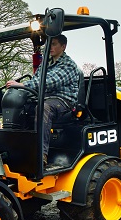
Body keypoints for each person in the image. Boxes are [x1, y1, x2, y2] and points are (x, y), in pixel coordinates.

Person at [6, 34, 81, 167]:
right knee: (21, 106)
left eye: (54, 44)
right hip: (44, 98)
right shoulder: (45, 63)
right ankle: (16, 150)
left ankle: (41, 155)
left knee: (43, 108)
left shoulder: (68, 64)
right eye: (49, 44)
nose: (50, 47)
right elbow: (36, 79)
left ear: (63, 46)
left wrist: (23, 85)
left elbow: (49, 82)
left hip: (63, 101)